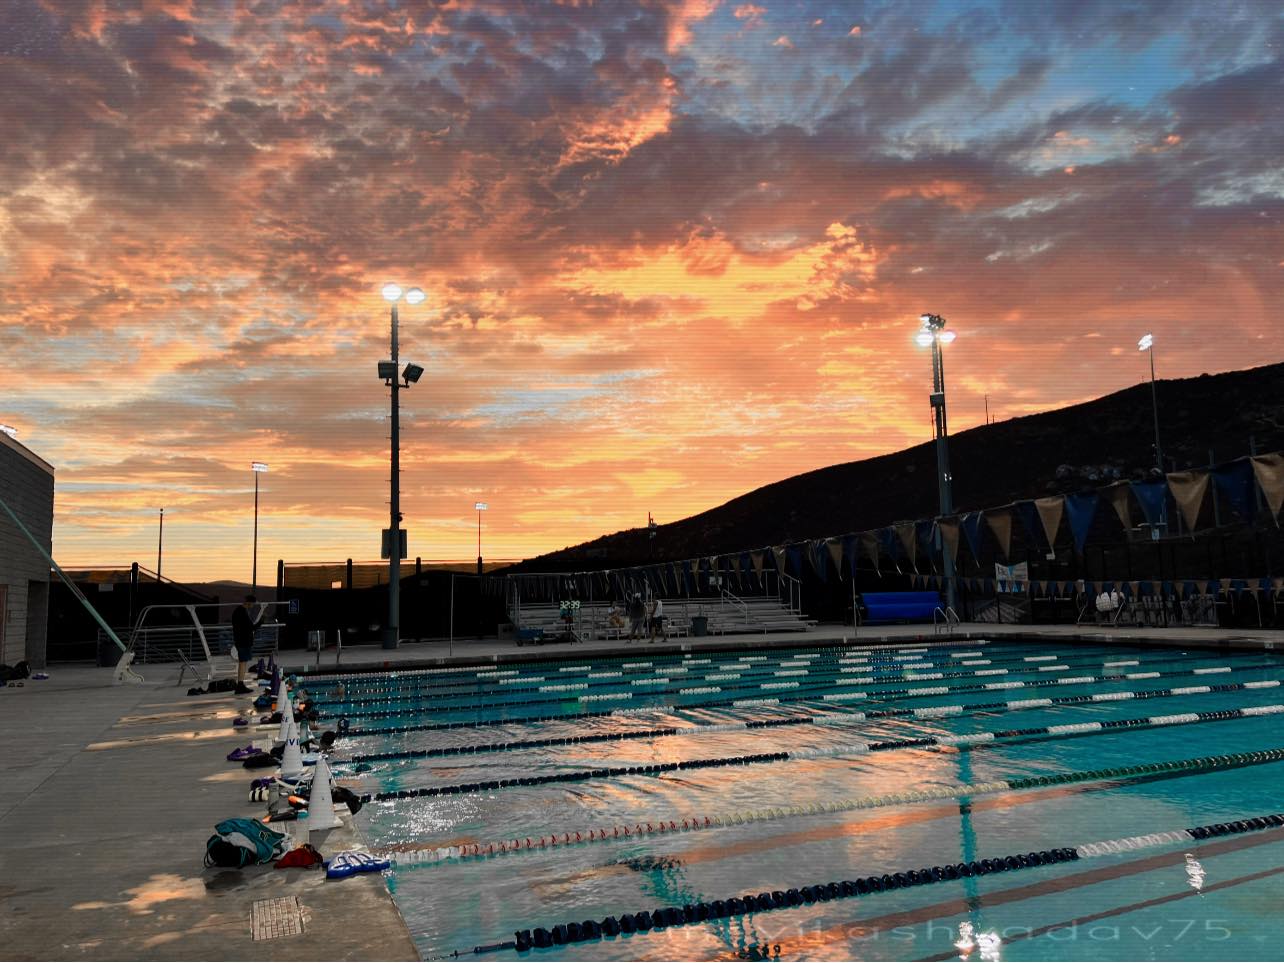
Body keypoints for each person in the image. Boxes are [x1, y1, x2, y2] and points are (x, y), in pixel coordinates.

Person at [232, 596, 263, 694]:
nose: (252, 606)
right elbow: (251, 627)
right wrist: (261, 621)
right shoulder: (242, 612)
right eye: (253, 604)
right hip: (243, 641)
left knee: (243, 662)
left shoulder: (238, 611)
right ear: (249, 602)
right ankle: (240, 685)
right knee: (243, 662)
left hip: (240, 640)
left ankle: (240, 684)